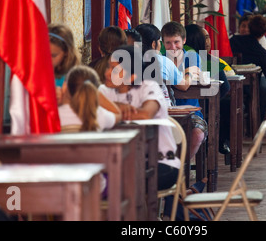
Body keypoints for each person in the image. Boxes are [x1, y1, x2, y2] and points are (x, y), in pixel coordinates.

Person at [99, 45, 180, 191]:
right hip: (122, 161)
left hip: (160, 163)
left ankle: (137, 213)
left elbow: (144, 115)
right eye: (108, 67)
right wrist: (120, 107)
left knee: (118, 182)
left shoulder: (148, 87)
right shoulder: (104, 91)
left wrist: (110, 107)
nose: (107, 73)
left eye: (114, 69)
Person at [161, 21, 206, 159]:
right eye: (168, 43)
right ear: (162, 43)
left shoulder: (192, 57)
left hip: (190, 111)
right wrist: (188, 72)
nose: (173, 47)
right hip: (166, 111)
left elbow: (184, 84)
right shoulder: (161, 60)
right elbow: (184, 81)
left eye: (176, 42)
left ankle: (182, 167)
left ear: (184, 40)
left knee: (198, 134)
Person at [184, 24, 231, 154]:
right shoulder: (209, 61)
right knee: (226, 104)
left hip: (187, 106)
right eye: (204, 38)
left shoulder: (177, 58)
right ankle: (220, 142)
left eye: (208, 37)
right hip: (198, 108)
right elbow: (225, 87)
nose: (208, 42)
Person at [134, 23, 194, 106]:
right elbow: (184, 86)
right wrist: (190, 73)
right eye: (159, 41)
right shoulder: (163, 61)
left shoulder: (126, 61)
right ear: (154, 44)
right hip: (162, 112)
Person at [59, 65, 121, 131]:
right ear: (94, 91)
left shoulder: (54, 115)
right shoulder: (99, 114)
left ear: (65, 87)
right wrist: (97, 94)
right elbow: (118, 114)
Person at [49, 23, 80, 105]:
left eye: (53, 55)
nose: (48, 60)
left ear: (66, 52)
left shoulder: (75, 77)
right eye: (44, 54)